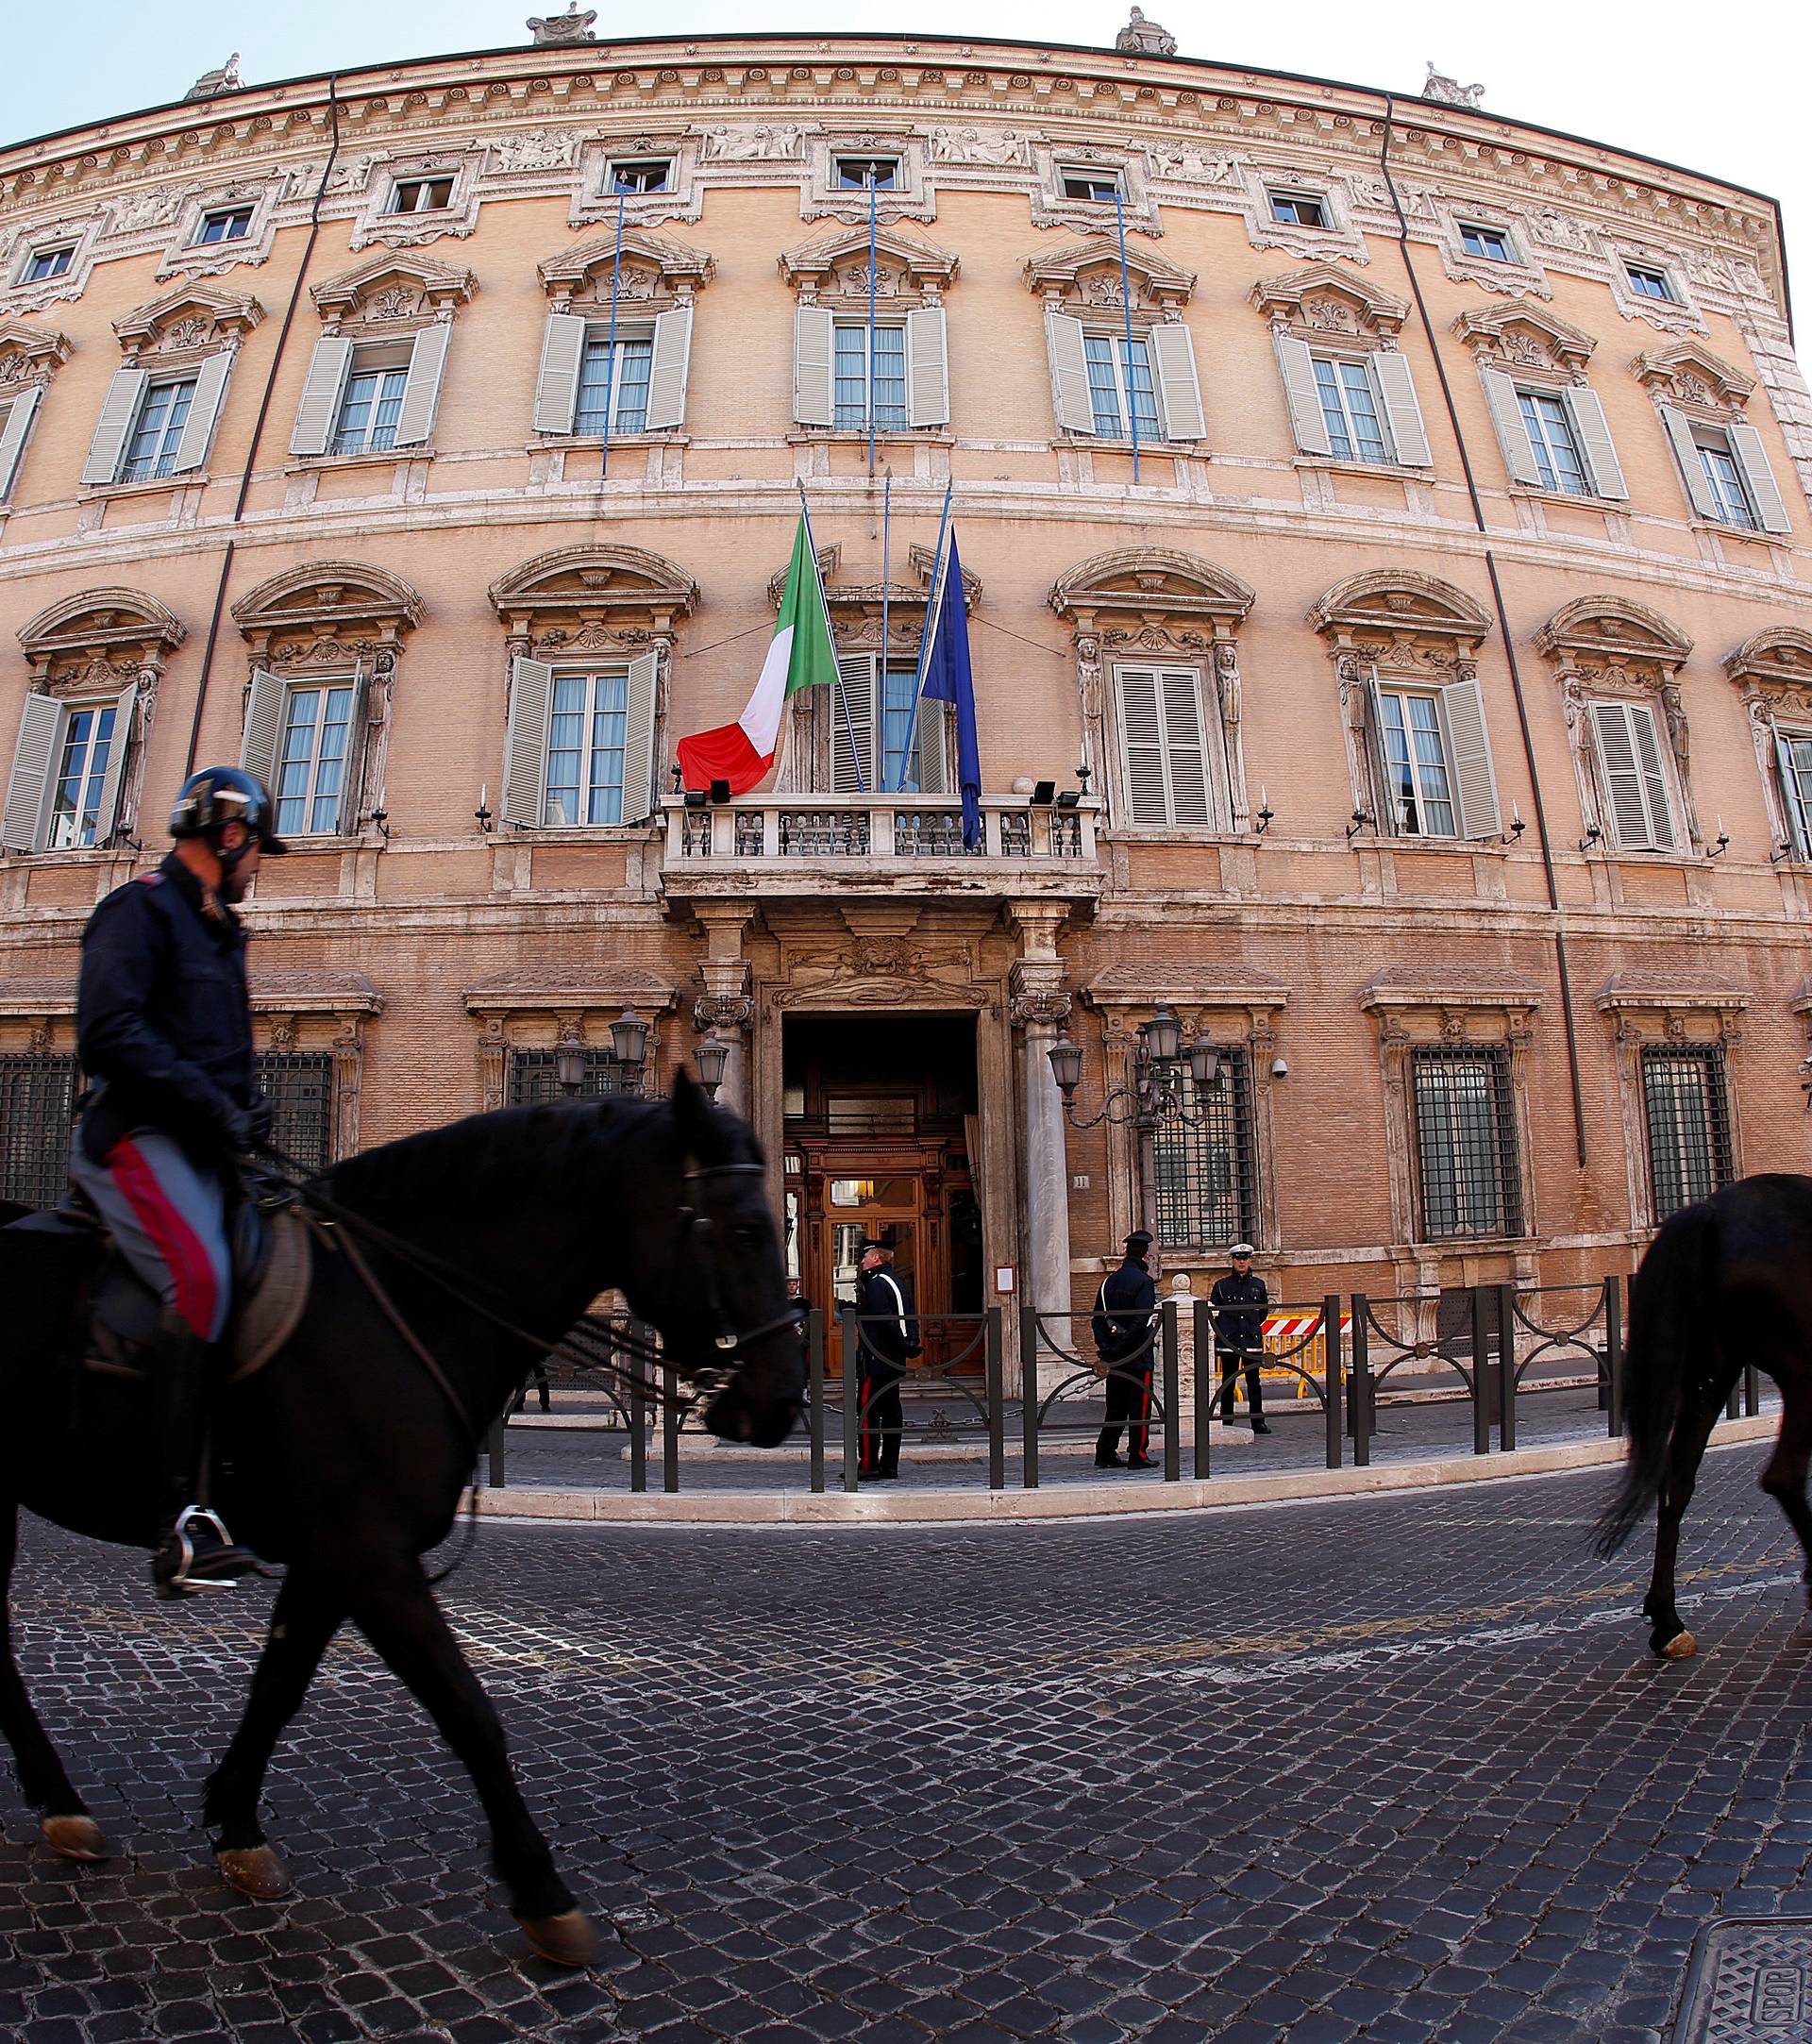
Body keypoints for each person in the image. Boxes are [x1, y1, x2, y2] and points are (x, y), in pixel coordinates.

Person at [72, 766, 288, 1598]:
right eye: (256, 847)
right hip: (137, 1137)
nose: (258, 865)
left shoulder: (216, 930)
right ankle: (181, 1518)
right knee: (199, 1280)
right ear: (227, 837)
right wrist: (210, 1106)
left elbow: (212, 1053)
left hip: (201, 1141)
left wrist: (248, 1106)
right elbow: (111, 1030)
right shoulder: (139, 910)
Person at [1094, 1230, 1159, 1469]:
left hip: (1113, 1357)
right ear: (1145, 1255)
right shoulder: (1144, 1282)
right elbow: (1141, 1321)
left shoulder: (1108, 1282)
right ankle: (1138, 1455)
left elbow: (1097, 1320)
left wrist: (1108, 1348)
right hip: (1138, 1355)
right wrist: (1124, 1347)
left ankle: (1105, 1452)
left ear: (1125, 1252)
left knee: (1115, 1407)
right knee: (1140, 1407)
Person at [854, 1238, 918, 1480]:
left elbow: (888, 1320)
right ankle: (889, 1464)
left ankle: (869, 1464)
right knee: (891, 1410)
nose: (861, 1261)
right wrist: (907, 1345)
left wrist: (905, 1344)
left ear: (876, 1258)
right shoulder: (891, 1280)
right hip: (889, 1357)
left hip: (878, 1358)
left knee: (868, 1409)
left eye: (865, 1256)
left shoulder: (878, 1283)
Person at [1210, 1243, 1271, 1434]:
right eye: (1238, 1258)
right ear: (1233, 1261)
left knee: (1254, 1381)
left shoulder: (1258, 1285)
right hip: (1230, 1340)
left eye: (1245, 1258)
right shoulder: (1221, 1286)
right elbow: (1214, 1312)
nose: (1242, 1261)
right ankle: (1228, 1419)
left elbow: (1263, 1312)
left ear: (1250, 1260)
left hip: (1251, 1340)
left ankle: (1257, 1421)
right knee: (1228, 1381)